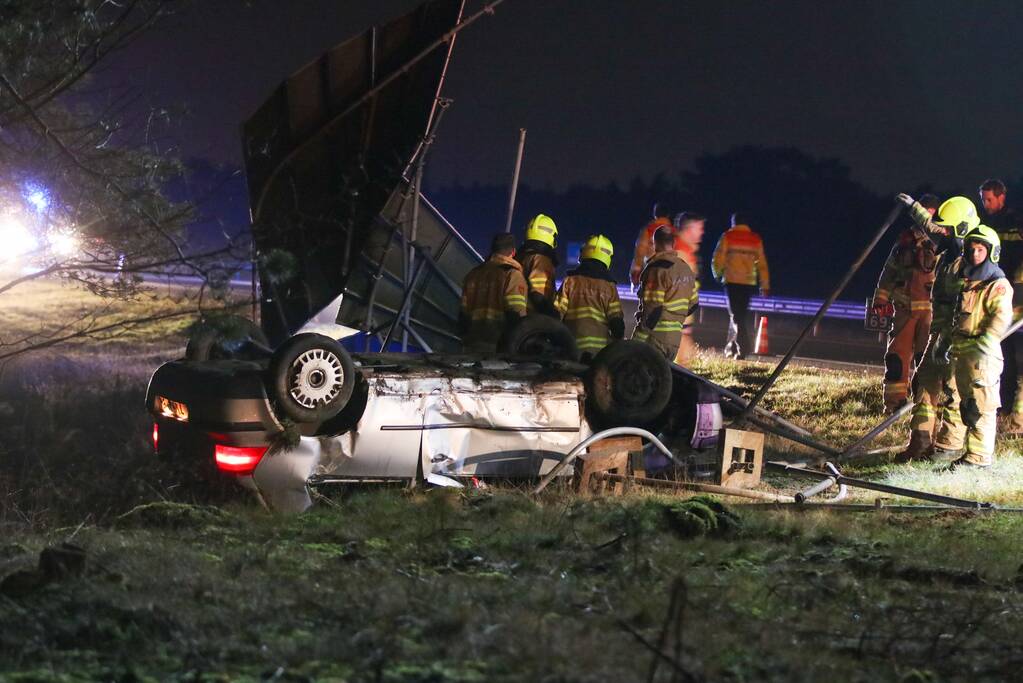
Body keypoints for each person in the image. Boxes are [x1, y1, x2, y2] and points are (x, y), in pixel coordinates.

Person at [893, 194, 978, 462]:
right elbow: (934, 226)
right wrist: (913, 207)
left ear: (962, 227)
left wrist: (952, 340)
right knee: (924, 383)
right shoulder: (953, 246)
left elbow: (968, 307)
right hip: (939, 333)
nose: (944, 232)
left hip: (959, 337)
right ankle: (919, 443)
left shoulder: (975, 258)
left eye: (949, 228)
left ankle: (948, 447)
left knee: (953, 391)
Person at [930, 225, 1012, 469]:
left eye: (980, 250)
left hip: (981, 355)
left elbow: (1000, 319)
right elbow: (955, 315)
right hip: (961, 350)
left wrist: (983, 348)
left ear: (991, 252)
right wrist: (943, 341)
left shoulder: (997, 285)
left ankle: (978, 458)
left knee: (981, 406)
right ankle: (954, 446)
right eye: (971, 249)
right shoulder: (964, 281)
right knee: (959, 400)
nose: (975, 254)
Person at [870, 194, 941, 412]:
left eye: (929, 214)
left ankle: (924, 404)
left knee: (925, 359)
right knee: (896, 358)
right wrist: (881, 298)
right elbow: (890, 270)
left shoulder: (942, 240)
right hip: (904, 309)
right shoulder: (905, 240)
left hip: (930, 312)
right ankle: (893, 404)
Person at [978, 180, 1023, 431]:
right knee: (995, 348)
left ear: (1001, 197)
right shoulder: (985, 223)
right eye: (983, 199)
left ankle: (1007, 407)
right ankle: (997, 405)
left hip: (1012, 291)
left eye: (989, 199)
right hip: (991, 290)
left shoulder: (1015, 221)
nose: (986, 204)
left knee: (1007, 347)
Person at [553, 234, 624, 360]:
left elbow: (557, 314)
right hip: (600, 354)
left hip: (571, 349)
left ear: (583, 253)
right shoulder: (609, 287)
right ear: (608, 258)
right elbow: (617, 324)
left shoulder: (570, 282)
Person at [632, 227, 697, 360]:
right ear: (673, 243)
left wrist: (636, 341)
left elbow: (652, 312)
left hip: (655, 339)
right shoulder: (685, 269)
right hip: (674, 342)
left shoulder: (656, 270)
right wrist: (675, 319)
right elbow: (694, 304)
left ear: (655, 244)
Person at [711, 212, 770, 360]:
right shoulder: (755, 239)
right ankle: (733, 348)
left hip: (731, 282)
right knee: (739, 315)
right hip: (748, 284)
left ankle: (743, 347)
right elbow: (762, 264)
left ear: (733, 223)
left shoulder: (728, 236)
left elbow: (717, 258)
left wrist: (717, 274)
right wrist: (764, 284)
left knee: (736, 316)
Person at [459, 233, 528, 352]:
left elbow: (463, 313)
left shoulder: (473, 275)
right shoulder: (512, 275)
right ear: (513, 252)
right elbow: (516, 313)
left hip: (471, 345)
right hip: (498, 346)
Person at [673, 211, 705, 365]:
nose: (702, 232)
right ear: (689, 229)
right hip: (678, 316)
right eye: (699, 228)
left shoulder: (686, 251)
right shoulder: (681, 253)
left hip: (681, 316)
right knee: (681, 361)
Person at [516, 213, 559, 316]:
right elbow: (539, 295)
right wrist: (553, 315)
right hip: (532, 318)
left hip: (519, 317)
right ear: (551, 236)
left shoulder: (521, 256)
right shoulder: (541, 260)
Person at [629, 202, 674, 288]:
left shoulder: (648, 229)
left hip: (651, 272)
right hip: (671, 273)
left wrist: (635, 271)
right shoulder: (674, 231)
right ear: (668, 215)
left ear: (655, 214)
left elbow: (640, 251)